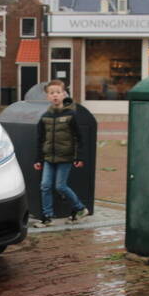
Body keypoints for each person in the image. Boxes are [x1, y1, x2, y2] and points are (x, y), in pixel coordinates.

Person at [32, 79, 90, 227]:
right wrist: (38, 159)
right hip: (48, 158)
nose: (55, 96)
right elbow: (40, 139)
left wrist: (79, 157)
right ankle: (47, 217)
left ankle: (80, 208)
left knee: (60, 186)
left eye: (58, 92)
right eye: (52, 93)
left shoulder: (71, 114)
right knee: (45, 185)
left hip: (65, 157)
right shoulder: (45, 116)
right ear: (47, 97)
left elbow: (80, 137)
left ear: (64, 94)